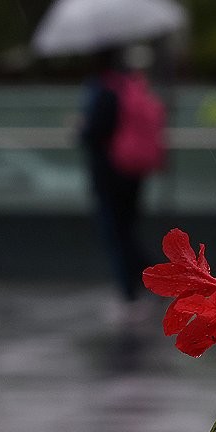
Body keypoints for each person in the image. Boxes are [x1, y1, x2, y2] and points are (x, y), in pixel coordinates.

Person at [78, 47, 156, 319]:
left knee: (116, 232)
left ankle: (133, 290)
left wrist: (81, 127)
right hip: (133, 170)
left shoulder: (102, 89)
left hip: (110, 172)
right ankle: (150, 278)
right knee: (128, 229)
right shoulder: (129, 84)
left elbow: (93, 133)